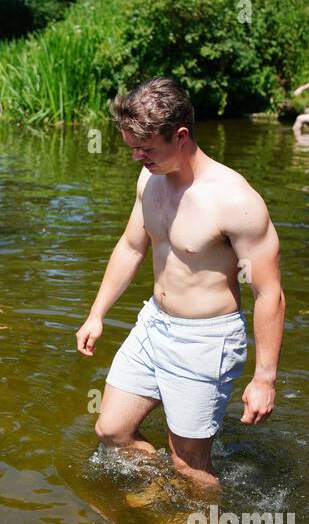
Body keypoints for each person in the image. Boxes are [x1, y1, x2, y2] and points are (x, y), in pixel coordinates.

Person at [76, 78, 284, 492]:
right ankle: (159, 492)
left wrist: (264, 378)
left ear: (182, 136)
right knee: (112, 431)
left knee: (189, 462)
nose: (137, 157)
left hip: (206, 340)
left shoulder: (235, 201)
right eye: (131, 147)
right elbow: (131, 247)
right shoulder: (149, 179)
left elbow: (269, 293)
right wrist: (97, 314)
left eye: (147, 148)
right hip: (154, 325)